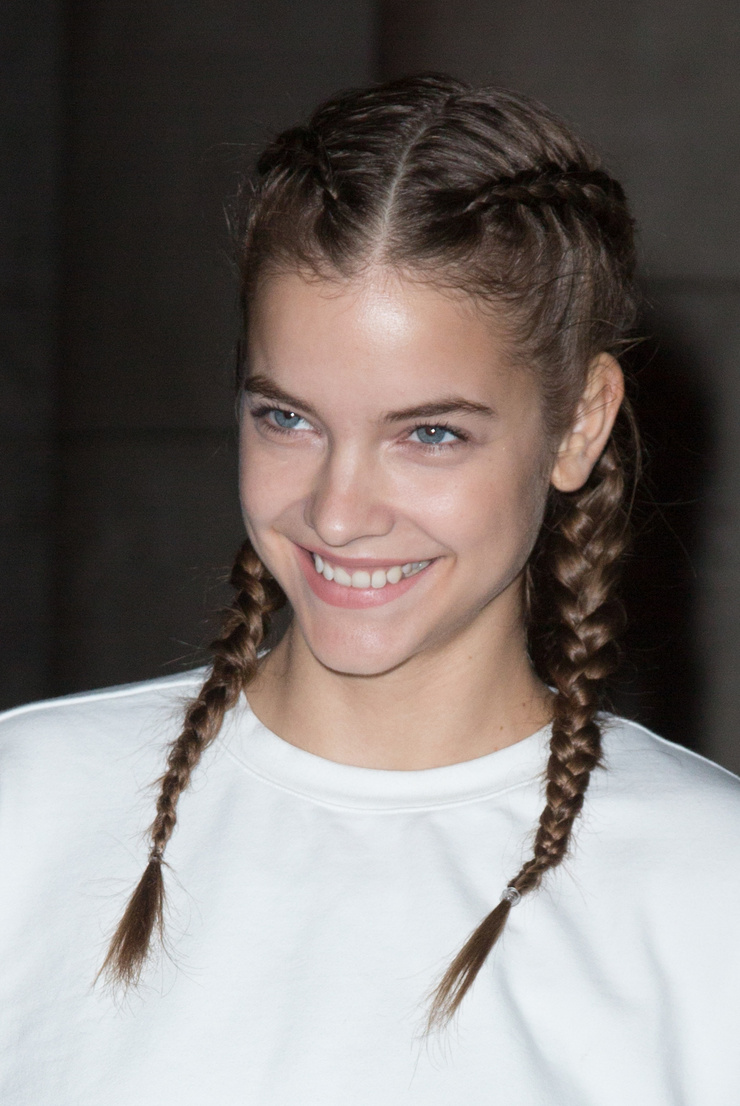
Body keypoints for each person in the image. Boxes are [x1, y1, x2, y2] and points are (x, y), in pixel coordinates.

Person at [1, 73, 739, 1106]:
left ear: (578, 423)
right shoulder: (26, 808)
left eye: (429, 433)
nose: (337, 512)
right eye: (287, 419)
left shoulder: (710, 887)